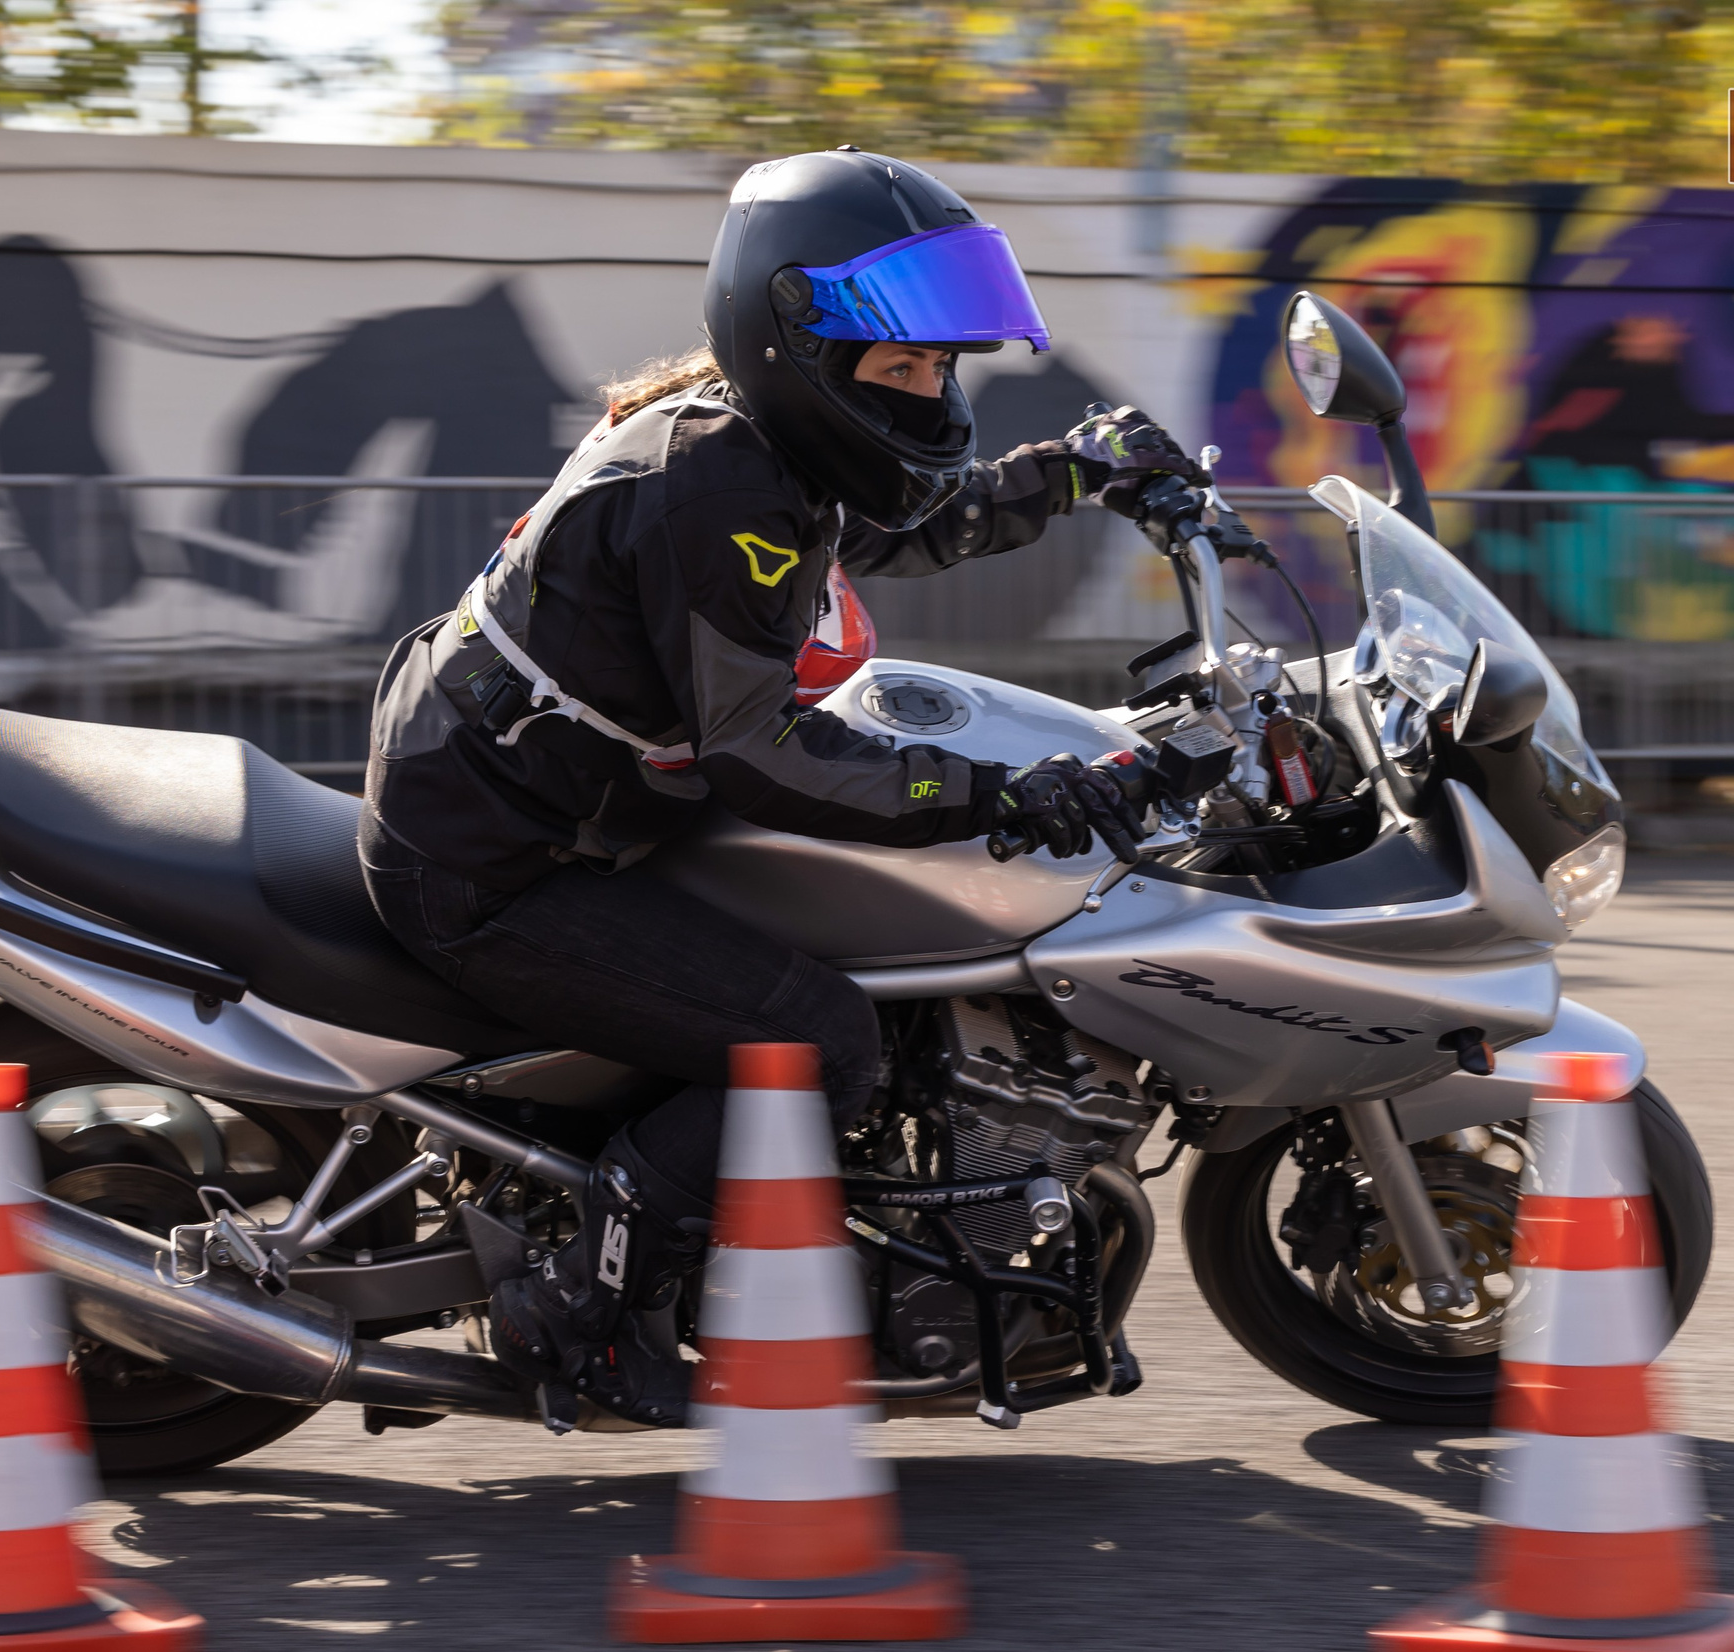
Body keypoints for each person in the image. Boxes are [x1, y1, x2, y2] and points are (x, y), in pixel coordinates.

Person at [357, 147, 1208, 1429]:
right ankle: (576, 1313)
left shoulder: (766, 444)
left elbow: (911, 524)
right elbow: (758, 752)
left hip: (542, 798)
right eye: (905, 365)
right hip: (495, 855)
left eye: (939, 366)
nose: (931, 392)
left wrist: (1076, 470)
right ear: (798, 337)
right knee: (820, 1040)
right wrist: (1001, 794)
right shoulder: (718, 479)